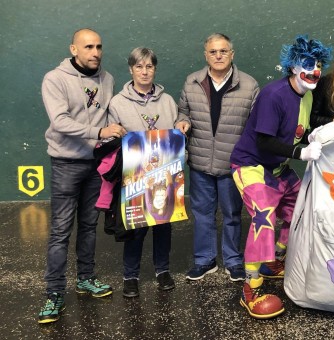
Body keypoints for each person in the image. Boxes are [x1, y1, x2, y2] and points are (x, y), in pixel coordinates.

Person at [229, 34, 331, 319]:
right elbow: (264, 142)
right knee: (264, 214)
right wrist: (302, 154)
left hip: (277, 167)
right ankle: (251, 288)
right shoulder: (273, 95)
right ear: (293, 66)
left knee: (301, 205)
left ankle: (271, 260)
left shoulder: (308, 95)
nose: (315, 70)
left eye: (319, 64)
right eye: (309, 63)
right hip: (251, 166)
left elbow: (300, 130)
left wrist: (318, 135)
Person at [39, 28, 127, 324]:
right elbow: (60, 121)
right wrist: (99, 132)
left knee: (89, 226)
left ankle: (86, 278)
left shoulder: (108, 79)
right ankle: (53, 293)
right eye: (88, 47)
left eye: (99, 46)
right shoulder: (55, 79)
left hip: (95, 164)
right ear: (73, 49)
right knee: (61, 230)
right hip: (65, 163)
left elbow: (108, 116)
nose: (96, 52)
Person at [108, 47, 191, 298]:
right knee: (136, 226)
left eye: (149, 67)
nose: (144, 72)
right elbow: (111, 140)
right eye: (139, 67)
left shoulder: (166, 101)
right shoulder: (118, 103)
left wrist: (180, 125)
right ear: (131, 69)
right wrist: (114, 133)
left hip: (164, 174)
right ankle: (130, 275)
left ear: (155, 69)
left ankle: (162, 270)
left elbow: (177, 128)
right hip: (134, 176)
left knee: (163, 224)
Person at [178, 33, 259, 282]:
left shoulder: (249, 85)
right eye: (213, 52)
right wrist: (182, 121)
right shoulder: (192, 82)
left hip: (232, 164)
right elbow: (183, 112)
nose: (218, 56)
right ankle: (205, 260)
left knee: (233, 214)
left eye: (223, 51)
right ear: (206, 55)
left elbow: (255, 125)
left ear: (232, 54)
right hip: (201, 162)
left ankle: (234, 261)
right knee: (202, 214)